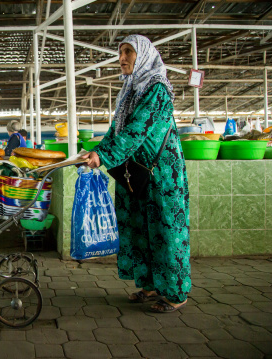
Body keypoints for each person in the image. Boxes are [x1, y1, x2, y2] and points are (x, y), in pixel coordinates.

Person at [81, 34, 191, 313]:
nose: (122, 58)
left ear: (143, 55)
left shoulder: (157, 89)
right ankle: (152, 285)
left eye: (128, 52)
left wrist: (103, 156)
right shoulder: (131, 90)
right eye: (121, 53)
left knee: (167, 232)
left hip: (162, 175)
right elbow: (117, 131)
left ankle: (176, 293)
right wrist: (96, 150)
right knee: (142, 230)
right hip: (139, 173)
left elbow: (136, 131)